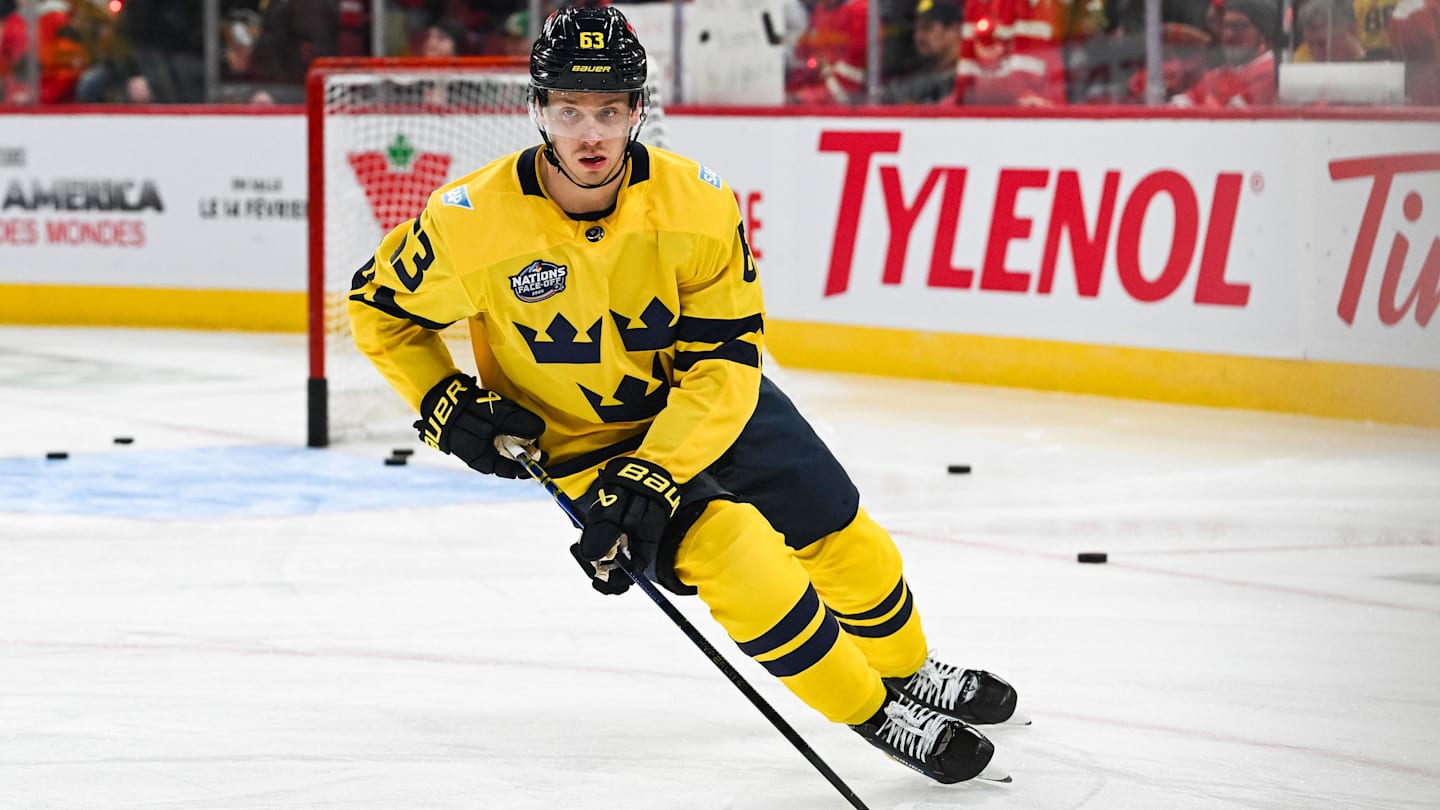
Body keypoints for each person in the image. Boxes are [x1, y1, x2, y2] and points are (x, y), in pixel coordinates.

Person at [348, 4, 1022, 786]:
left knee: (844, 535)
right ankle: (876, 711)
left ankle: (909, 671)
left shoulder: (697, 205)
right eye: (569, 110)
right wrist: (443, 404)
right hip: (583, 443)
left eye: (608, 110)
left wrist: (661, 464)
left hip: (709, 405)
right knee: (738, 556)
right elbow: (377, 310)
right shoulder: (467, 225)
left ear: (639, 109)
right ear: (537, 110)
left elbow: (729, 359)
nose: (590, 134)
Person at [953, 0, 1068, 105]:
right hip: (992, 113)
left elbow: (1024, 82)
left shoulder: (1032, 4)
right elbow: (964, 78)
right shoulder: (974, 4)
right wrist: (957, 103)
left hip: (1037, 113)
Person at [1172, 0, 1279, 106]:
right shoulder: (1221, 73)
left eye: (1238, 26)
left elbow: (1232, 116)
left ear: (1264, 35)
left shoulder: (1272, 73)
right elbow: (1178, 106)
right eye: (1225, 26)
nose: (1228, 35)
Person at [883, 0, 963, 103]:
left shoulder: (969, 77)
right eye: (916, 29)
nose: (918, 36)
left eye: (927, 28)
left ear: (954, 30)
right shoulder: (912, 76)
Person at [1294, 0, 1367, 61]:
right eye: (1310, 45)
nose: (1315, 54)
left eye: (1323, 44)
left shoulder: (1375, 71)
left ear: (1351, 31)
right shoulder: (1305, 73)